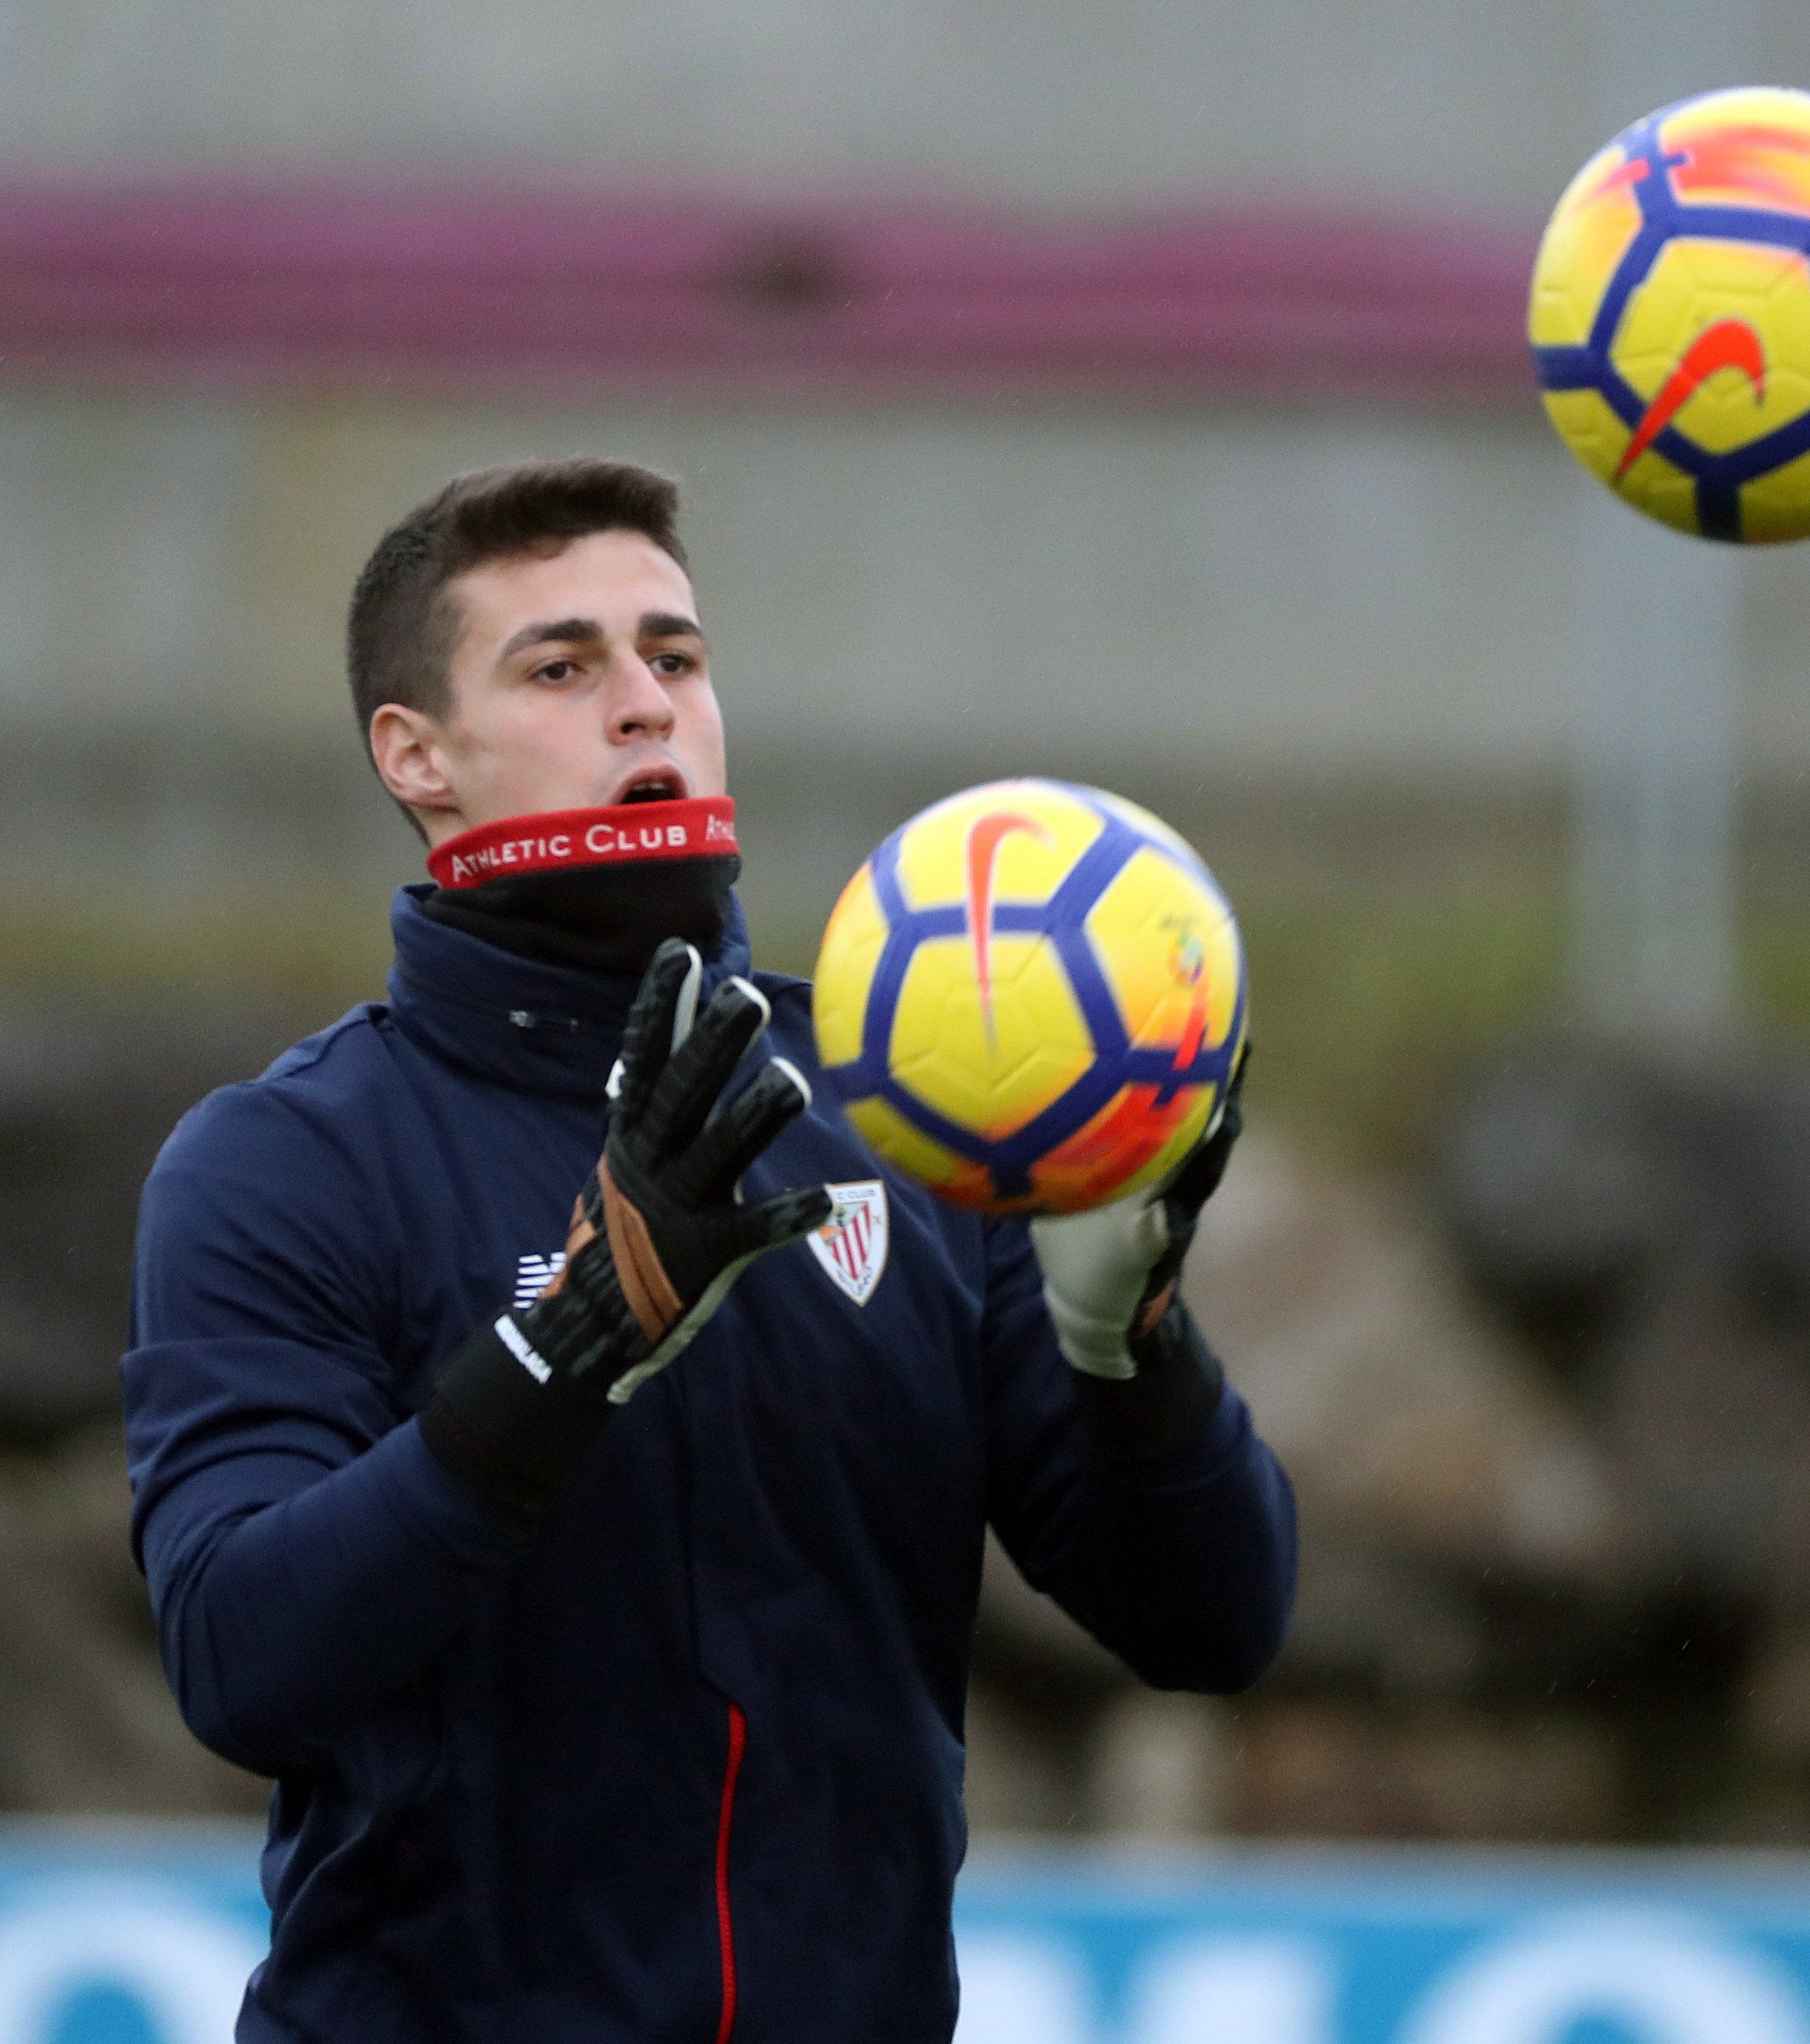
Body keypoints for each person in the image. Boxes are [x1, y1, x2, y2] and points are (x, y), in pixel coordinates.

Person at [121, 457, 1298, 2043]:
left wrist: (1135, 1347)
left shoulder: (912, 1122)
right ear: (418, 756)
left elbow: (1213, 1624)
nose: (645, 705)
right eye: (562, 665)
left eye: (673, 657)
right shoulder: (287, 1160)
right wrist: (575, 1343)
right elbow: (241, 1658)